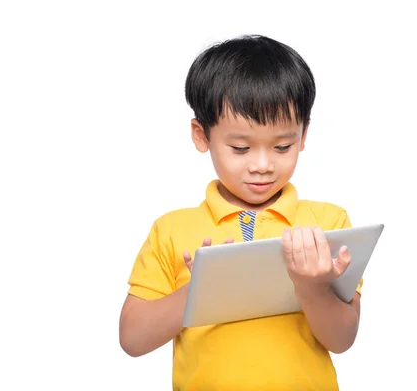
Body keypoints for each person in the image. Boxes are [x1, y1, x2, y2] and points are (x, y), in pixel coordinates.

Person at [119, 34, 363, 391]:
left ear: (304, 135)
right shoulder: (172, 229)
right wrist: (199, 291)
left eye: (282, 146)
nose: (262, 165)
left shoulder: (327, 225)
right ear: (201, 135)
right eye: (240, 148)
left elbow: (342, 339)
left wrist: (311, 287)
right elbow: (132, 339)